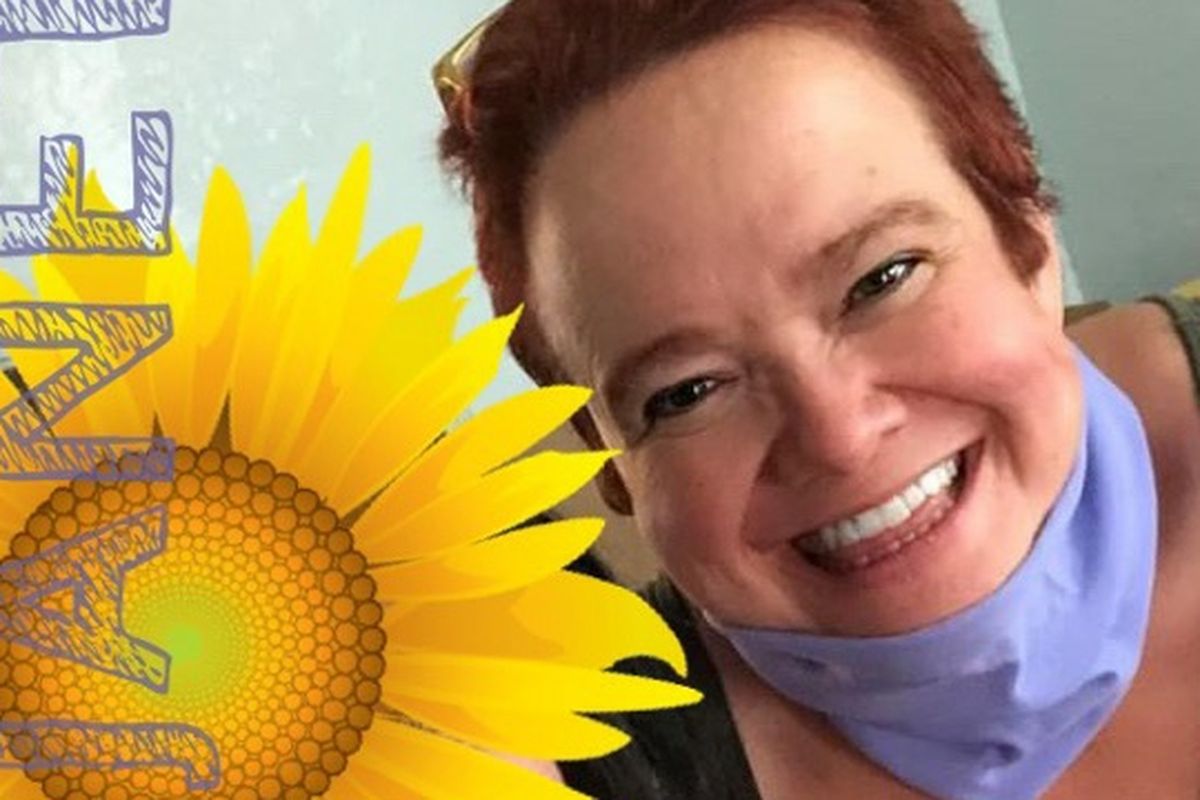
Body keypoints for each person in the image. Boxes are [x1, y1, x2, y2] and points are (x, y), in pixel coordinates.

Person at [433, 1, 1200, 797]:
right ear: (610, 464)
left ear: (1028, 239)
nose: (838, 435)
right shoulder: (584, 753)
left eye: (882, 279)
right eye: (688, 391)